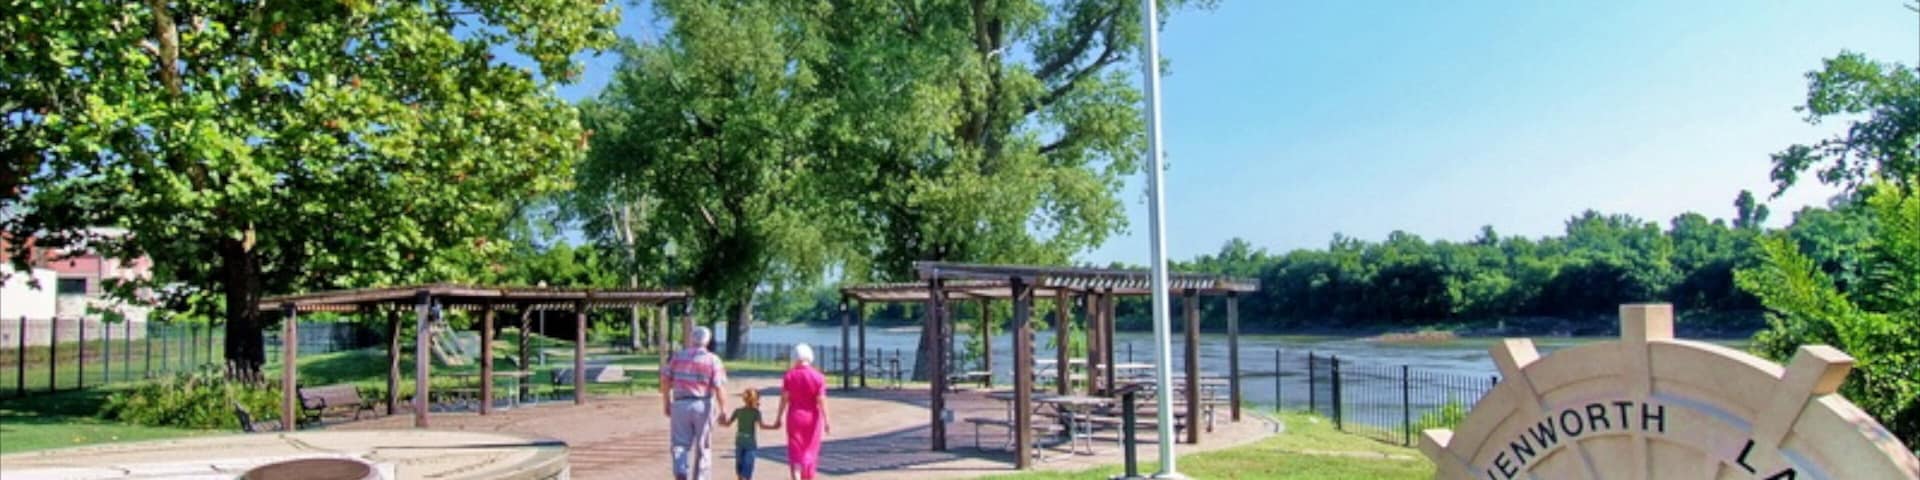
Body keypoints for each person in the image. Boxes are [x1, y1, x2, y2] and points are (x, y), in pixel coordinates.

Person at [663, 326, 728, 480]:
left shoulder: (678, 357)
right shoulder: (713, 360)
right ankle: (701, 477)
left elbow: (665, 380)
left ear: (692, 339)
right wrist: (723, 409)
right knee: (703, 445)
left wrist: (666, 401)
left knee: (680, 443)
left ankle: (680, 469)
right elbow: (719, 386)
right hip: (703, 404)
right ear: (708, 341)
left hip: (680, 403)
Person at [773, 343, 829, 480]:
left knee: (795, 451)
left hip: (794, 416)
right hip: (812, 417)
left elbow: (784, 399)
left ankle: (796, 476)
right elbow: (821, 400)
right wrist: (827, 420)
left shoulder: (789, 376)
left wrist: (779, 417)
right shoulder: (818, 377)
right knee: (810, 449)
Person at [718, 388, 778, 480]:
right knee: (748, 467)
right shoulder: (756, 412)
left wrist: (721, 420)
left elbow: (727, 424)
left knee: (740, 466)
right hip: (750, 444)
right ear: (756, 399)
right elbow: (762, 426)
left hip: (739, 441)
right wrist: (774, 427)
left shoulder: (738, 411)